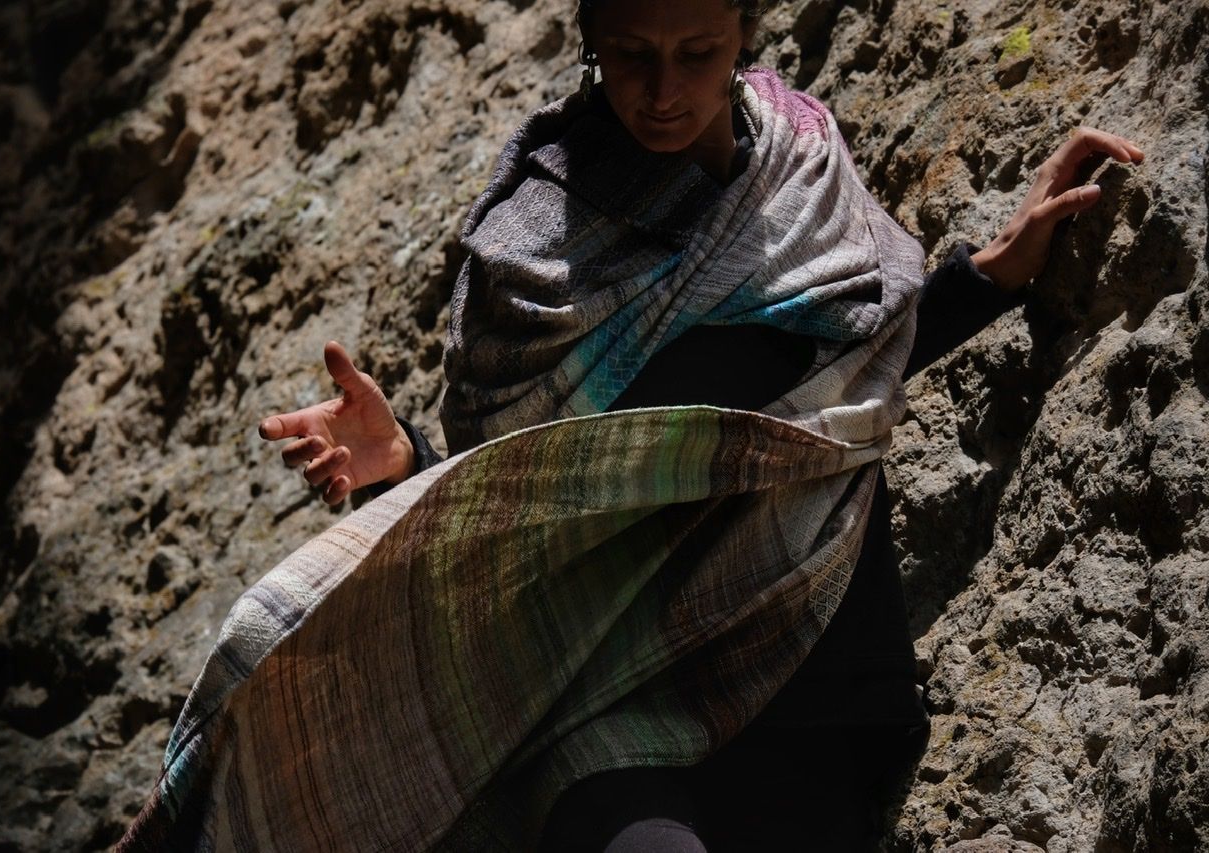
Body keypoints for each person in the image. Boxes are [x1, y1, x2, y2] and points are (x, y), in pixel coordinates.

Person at [122, 1, 1143, 850]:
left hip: (813, 674)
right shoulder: (530, 246)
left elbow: (843, 375)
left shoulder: (799, 166)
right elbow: (516, 505)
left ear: (742, 34)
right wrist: (410, 466)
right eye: (631, 56)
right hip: (608, 701)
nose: (662, 90)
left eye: (696, 54)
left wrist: (989, 273)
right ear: (591, 42)